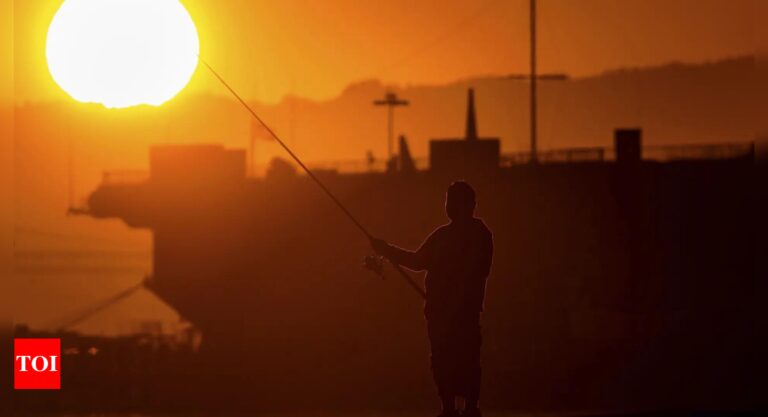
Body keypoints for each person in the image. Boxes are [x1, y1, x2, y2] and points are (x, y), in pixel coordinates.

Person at [371, 180, 493, 417]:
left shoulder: (480, 235)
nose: (448, 206)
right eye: (447, 201)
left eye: (453, 201)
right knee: (441, 360)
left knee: (466, 359)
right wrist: (386, 250)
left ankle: (469, 409)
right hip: (438, 313)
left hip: (463, 314)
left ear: (469, 205)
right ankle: (448, 408)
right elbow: (417, 261)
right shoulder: (442, 236)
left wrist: (452, 302)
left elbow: (475, 272)